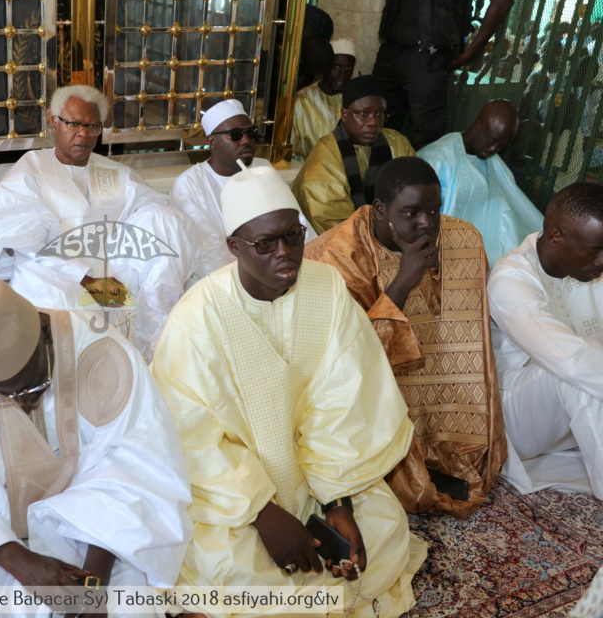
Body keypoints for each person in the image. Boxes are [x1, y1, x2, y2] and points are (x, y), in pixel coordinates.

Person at [152, 164, 426, 618]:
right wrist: (264, 514)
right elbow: (189, 438)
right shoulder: (196, 317)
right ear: (234, 247)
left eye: (293, 237)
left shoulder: (327, 289)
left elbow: (346, 399)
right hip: (234, 495)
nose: (285, 253)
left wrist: (336, 503)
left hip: (318, 478)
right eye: (264, 244)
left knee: (386, 529)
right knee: (223, 564)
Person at [0, 279, 191, 616]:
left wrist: (93, 585)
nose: (27, 402)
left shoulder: (100, 349)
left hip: (100, 540)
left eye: (35, 386)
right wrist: (18, 560)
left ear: (46, 337)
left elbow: (136, 470)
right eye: (7, 395)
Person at [305, 157, 506, 518]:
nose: (427, 223)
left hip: (445, 388)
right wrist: (402, 282)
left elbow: (476, 338)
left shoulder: (463, 237)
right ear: (380, 209)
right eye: (411, 212)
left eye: (435, 211)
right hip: (371, 395)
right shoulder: (335, 257)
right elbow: (347, 361)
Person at [0, 84, 192, 359]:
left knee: (167, 220)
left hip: (113, 274)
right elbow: (23, 242)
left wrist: (116, 273)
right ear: (53, 122)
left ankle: (157, 355)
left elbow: (158, 214)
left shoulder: (116, 173)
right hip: (54, 275)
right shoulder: (31, 171)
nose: (83, 134)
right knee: (64, 303)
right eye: (74, 124)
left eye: (93, 127)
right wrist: (86, 278)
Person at [488, 182, 603, 498]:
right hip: (518, 415)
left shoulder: (592, 269)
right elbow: (569, 361)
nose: (602, 261)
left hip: (585, 408)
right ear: (555, 238)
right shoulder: (510, 280)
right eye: (595, 251)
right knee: (571, 375)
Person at [171, 99, 316, 285]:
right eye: (236, 134)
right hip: (221, 282)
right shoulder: (190, 183)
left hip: (279, 270)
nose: (246, 140)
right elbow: (207, 254)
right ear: (212, 141)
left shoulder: (263, 168)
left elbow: (298, 225)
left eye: (251, 132)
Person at [373, 0, 513, 149]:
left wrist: (469, 54)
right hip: (391, 51)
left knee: (426, 141)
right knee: (375, 129)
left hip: (428, 59)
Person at [418, 100, 544, 264]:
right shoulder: (436, 158)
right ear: (478, 125)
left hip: (490, 255)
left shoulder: (496, 164)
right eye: (492, 140)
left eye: (501, 145)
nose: (494, 149)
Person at [291, 75, 416, 235]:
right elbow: (331, 223)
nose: (373, 122)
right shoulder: (326, 156)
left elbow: (413, 195)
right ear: (344, 114)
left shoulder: (396, 142)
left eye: (379, 114)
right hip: (343, 246)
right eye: (363, 114)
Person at [291, 39, 357, 160]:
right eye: (336, 67)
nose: (342, 74)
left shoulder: (356, 100)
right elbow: (290, 152)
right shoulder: (302, 101)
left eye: (348, 68)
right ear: (325, 67)